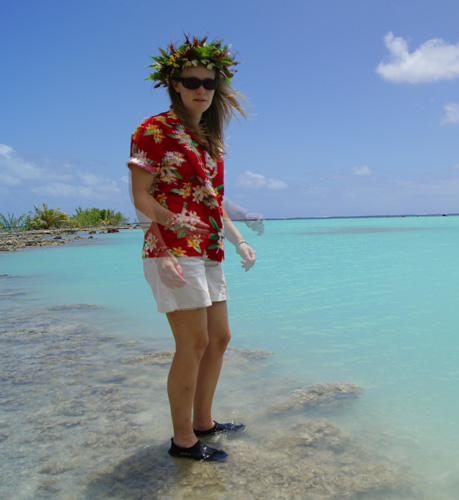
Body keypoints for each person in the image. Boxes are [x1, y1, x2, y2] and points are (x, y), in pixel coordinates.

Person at [127, 35, 256, 462]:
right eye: (192, 80)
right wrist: (165, 238)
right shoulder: (152, 130)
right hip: (172, 250)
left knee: (220, 337)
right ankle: (183, 441)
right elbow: (141, 198)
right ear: (175, 84)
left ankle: (204, 421)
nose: (202, 88)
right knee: (193, 342)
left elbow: (212, 202)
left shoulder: (208, 141)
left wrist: (239, 241)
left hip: (210, 250)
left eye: (209, 82)